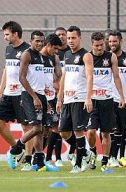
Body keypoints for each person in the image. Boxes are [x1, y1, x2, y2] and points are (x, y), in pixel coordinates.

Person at [8, 30, 58, 172]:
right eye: (37, 41)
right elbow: (22, 78)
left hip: (40, 95)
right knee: (36, 128)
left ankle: (39, 162)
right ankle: (15, 150)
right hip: (29, 96)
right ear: (31, 41)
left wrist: (44, 100)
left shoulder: (41, 57)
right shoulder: (27, 54)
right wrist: (34, 97)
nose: (39, 43)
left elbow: (39, 78)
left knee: (42, 130)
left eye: (41, 41)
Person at [0, 21, 34, 171]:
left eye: (7, 34)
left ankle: (28, 160)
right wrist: (0, 90)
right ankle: (17, 149)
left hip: (21, 94)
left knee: (26, 127)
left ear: (15, 34)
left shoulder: (28, 50)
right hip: (8, 94)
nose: (5, 37)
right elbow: (6, 70)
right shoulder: (8, 49)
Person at [56, 26, 94, 173]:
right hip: (67, 99)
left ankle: (78, 165)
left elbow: (90, 77)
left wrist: (88, 98)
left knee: (78, 131)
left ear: (80, 38)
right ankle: (85, 152)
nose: (70, 41)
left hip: (79, 98)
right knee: (63, 132)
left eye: (73, 38)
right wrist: (60, 98)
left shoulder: (86, 56)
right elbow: (64, 76)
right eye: (69, 38)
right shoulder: (66, 55)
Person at [86, 31, 125, 172]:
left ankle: (104, 161)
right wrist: (88, 98)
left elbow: (116, 77)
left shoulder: (111, 57)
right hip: (93, 101)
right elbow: (89, 77)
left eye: (102, 45)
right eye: (96, 45)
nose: (99, 48)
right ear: (92, 44)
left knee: (106, 133)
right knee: (90, 132)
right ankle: (92, 150)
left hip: (107, 101)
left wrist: (121, 96)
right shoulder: (88, 57)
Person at [108, 30, 126, 167]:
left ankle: (121, 156)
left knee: (122, 127)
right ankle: (110, 157)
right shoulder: (105, 58)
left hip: (122, 99)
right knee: (110, 129)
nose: (112, 44)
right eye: (110, 41)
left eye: (115, 41)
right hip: (108, 98)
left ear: (120, 41)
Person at [54, 27, 76, 165]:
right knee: (57, 128)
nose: (62, 37)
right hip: (57, 93)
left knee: (71, 128)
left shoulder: (72, 53)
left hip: (72, 94)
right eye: (59, 35)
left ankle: (74, 151)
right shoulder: (54, 53)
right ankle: (57, 158)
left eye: (64, 35)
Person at [40, 34, 62, 167]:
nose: (56, 51)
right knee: (40, 129)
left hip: (51, 98)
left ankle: (46, 158)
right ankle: (29, 154)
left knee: (54, 128)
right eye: (54, 48)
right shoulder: (35, 57)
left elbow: (57, 78)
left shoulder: (52, 58)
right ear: (48, 45)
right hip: (39, 98)